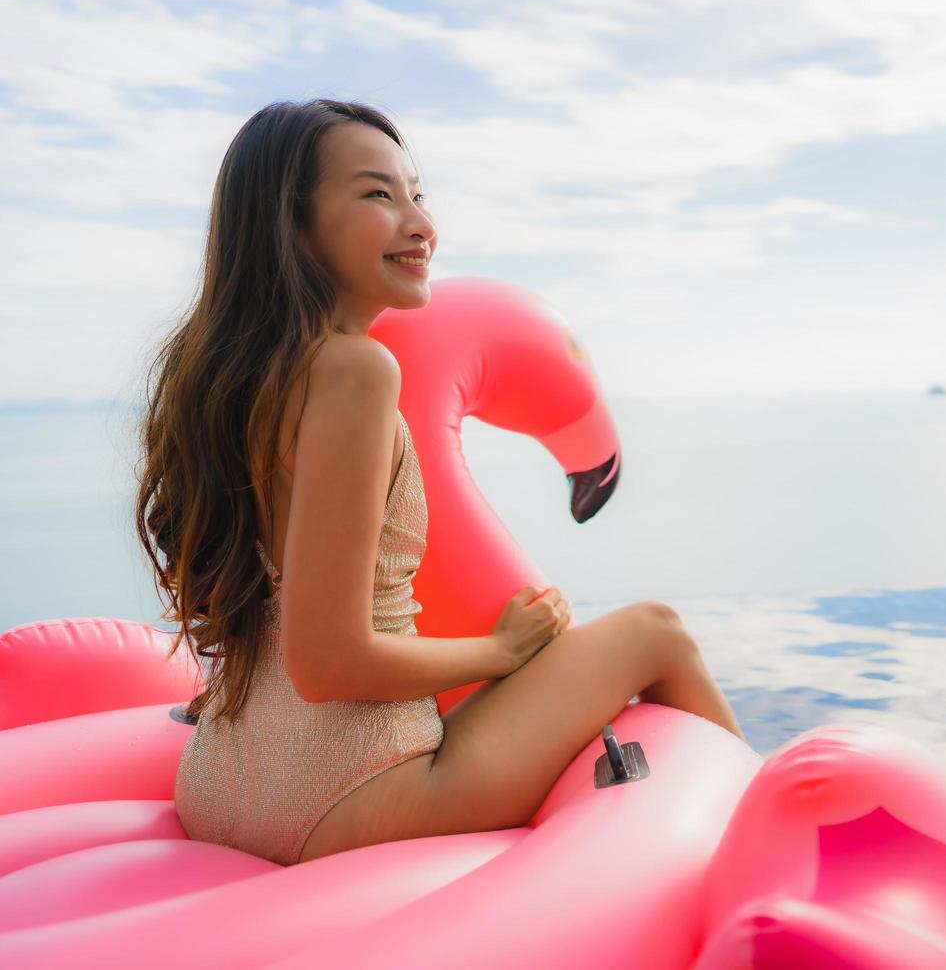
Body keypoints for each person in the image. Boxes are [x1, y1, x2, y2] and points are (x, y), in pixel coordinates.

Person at [134, 98, 745, 867]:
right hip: (346, 790)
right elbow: (329, 663)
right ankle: (778, 852)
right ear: (291, 223)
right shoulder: (353, 370)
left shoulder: (224, 376)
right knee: (656, 631)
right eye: (378, 195)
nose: (420, 224)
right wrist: (499, 650)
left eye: (417, 195)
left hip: (219, 784)